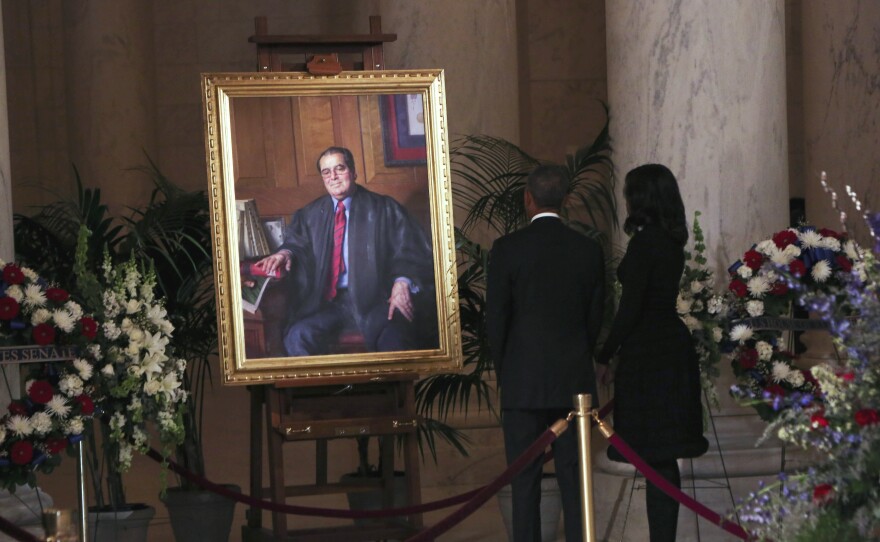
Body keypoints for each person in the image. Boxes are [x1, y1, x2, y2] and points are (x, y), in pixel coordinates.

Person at [487, 164, 606, 542]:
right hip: (574, 386)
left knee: (524, 484)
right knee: (575, 482)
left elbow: (497, 321)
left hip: (522, 383)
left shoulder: (507, 249)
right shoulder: (588, 250)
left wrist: (505, 372)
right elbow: (596, 318)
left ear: (527, 198)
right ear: (567, 200)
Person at [596, 163, 708, 542]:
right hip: (667, 349)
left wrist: (605, 353)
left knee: (656, 454)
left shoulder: (646, 243)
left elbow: (631, 308)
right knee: (661, 455)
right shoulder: (668, 239)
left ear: (640, 198)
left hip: (651, 354)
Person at [254, 146, 436, 356]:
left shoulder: (385, 209)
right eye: (326, 172)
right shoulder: (309, 214)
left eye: (339, 168)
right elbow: (296, 244)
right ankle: (320, 390)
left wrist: (402, 282)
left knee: (395, 339)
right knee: (298, 336)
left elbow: (410, 250)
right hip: (327, 304)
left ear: (354, 171)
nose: (333, 177)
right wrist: (284, 253)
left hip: (376, 301)